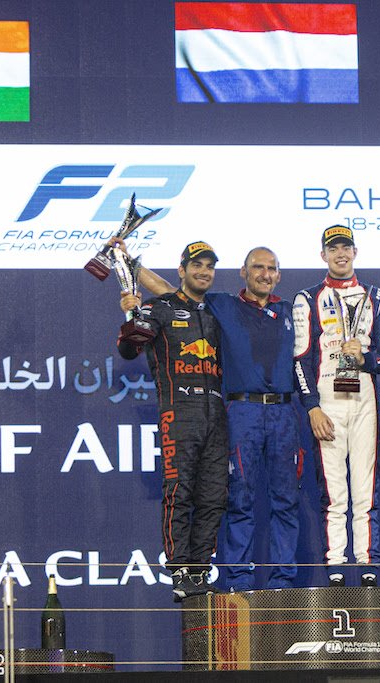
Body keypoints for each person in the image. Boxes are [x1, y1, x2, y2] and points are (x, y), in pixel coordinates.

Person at [130, 246, 301, 591]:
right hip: (242, 409)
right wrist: (131, 266)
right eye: (257, 267)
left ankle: (283, 580)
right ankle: (239, 579)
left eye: (271, 268)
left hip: (284, 411)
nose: (264, 274)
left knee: (286, 499)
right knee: (239, 497)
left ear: (279, 274)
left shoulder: (290, 310)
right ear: (243, 271)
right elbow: (172, 294)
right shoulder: (223, 305)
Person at [117, 241, 227, 601]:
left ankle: (198, 570)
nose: (203, 272)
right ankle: (179, 569)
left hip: (216, 411)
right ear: (181, 270)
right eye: (196, 265)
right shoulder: (159, 308)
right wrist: (131, 316)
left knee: (213, 496)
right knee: (179, 491)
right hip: (178, 409)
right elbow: (130, 349)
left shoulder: (214, 312)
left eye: (209, 266)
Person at [293, 225, 380, 587]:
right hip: (328, 398)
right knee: (334, 490)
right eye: (333, 248)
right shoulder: (308, 298)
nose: (340, 254)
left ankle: (368, 565)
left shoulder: (377, 296)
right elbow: (300, 359)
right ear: (323, 255)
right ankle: (336, 566)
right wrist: (311, 406)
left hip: (364, 396)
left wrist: (366, 358)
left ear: (355, 252)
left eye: (346, 248)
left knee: (365, 489)